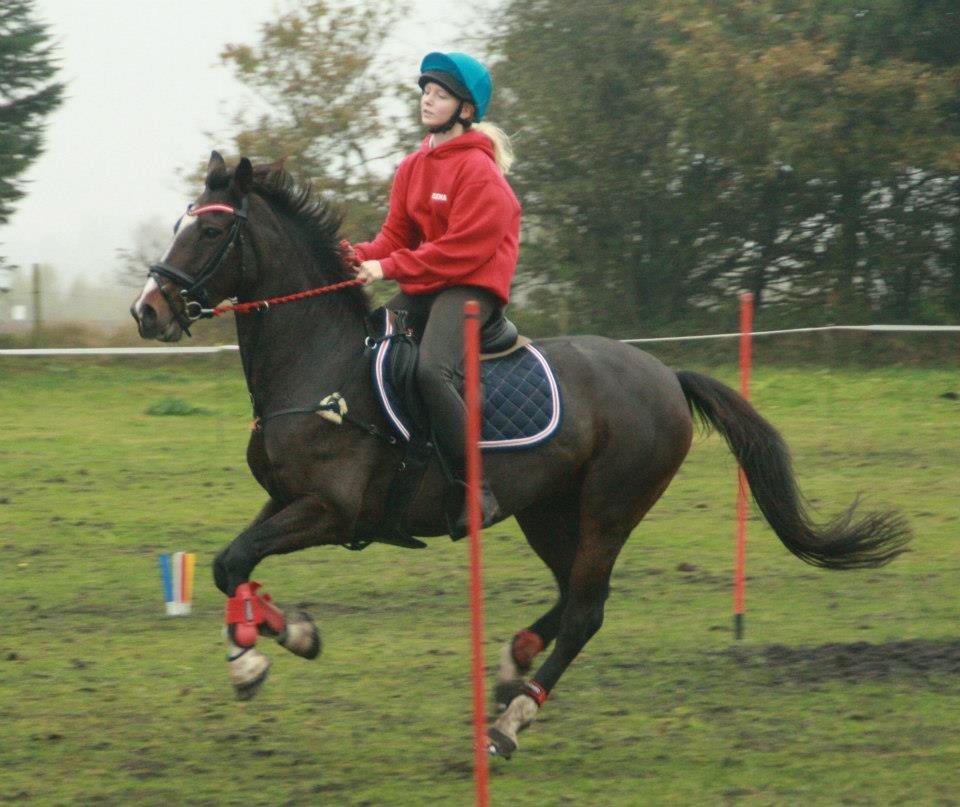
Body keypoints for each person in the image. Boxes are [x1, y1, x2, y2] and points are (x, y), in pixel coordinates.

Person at [346, 51, 521, 537]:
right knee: (366, 340)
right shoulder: (412, 166)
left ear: (465, 109)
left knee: (429, 368)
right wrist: (351, 255)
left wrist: (385, 266)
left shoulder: (480, 175)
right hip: (428, 284)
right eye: (425, 91)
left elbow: (457, 254)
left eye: (439, 94)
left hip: (470, 289)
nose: (428, 99)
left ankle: (476, 487)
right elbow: (392, 239)